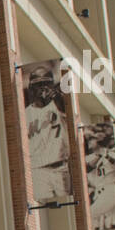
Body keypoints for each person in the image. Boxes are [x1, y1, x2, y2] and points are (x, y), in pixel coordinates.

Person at [24, 64, 70, 200]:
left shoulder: (58, 105)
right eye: (38, 84)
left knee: (67, 209)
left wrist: (57, 97)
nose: (43, 88)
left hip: (61, 167)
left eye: (46, 83)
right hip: (38, 170)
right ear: (31, 88)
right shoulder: (26, 114)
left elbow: (65, 110)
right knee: (43, 207)